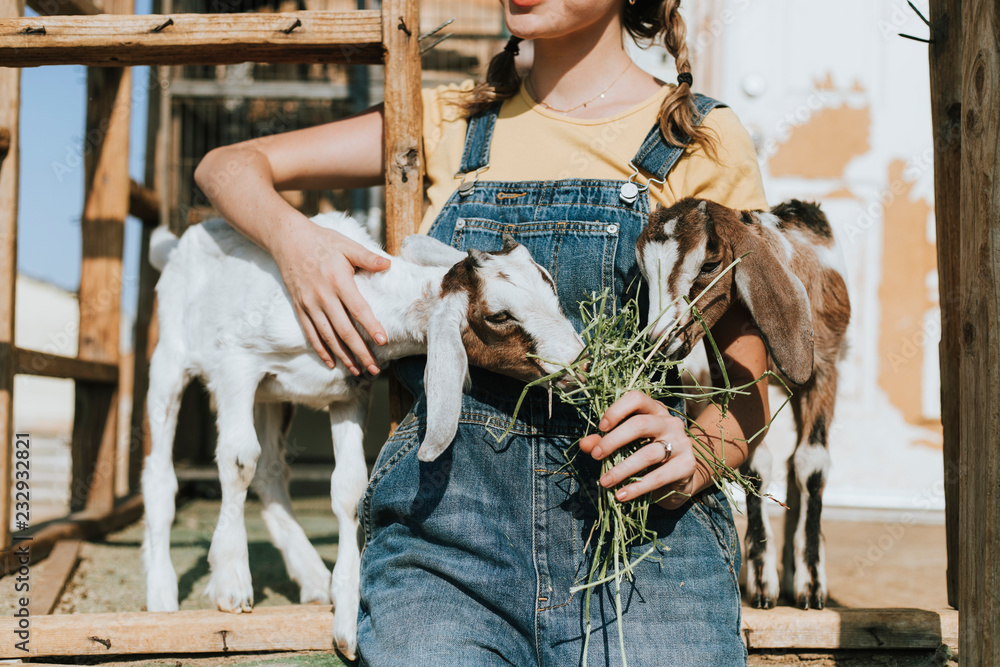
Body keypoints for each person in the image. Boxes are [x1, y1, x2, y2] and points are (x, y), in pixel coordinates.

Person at [195, 1, 770, 663]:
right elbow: (227, 166)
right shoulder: (447, 120)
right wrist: (297, 243)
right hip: (447, 550)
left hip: (643, 547)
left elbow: (745, 385)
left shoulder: (701, 137)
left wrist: (697, 452)